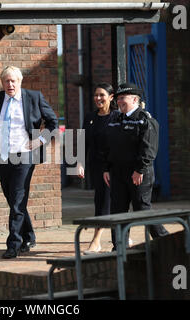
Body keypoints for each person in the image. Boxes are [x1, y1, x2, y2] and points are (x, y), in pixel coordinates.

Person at [0, 66, 58, 259]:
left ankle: (14, 243)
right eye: (6, 81)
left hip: (25, 156)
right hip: (2, 156)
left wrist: (40, 140)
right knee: (13, 199)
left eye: (14, 81)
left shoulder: (34, 97)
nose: (10, 84)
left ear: (20, 81)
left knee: (18, 199)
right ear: (2, 82)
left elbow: (52, 122)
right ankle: (29, 235)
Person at [102, 82, 168, 251]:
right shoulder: (114, 119)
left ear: (134, 99)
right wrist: (106, 169)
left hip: (138, 173)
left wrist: (140, 169)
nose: (119, 102)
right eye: (118, 99)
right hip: (117, 173)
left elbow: (149, 148)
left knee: (141, 209)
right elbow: (108, 146)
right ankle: (119, 247)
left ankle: (165, 240)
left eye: (123, 98)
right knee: (118, 211)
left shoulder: (145, 119)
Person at [77, 83, 116, 254]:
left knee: (109, 201)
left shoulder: (117, 117)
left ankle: (97, 240)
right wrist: (80, 162)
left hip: (113, 166)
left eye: (102, 95)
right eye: (96, 95)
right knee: (101, 200)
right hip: (96, 166)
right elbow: (83, 141)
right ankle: (121, 234)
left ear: (111, 97)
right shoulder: (90, 117)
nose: (98, 98)